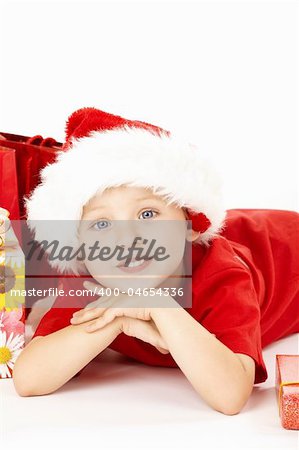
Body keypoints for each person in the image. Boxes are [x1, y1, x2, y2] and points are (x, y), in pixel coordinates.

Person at [12, 107, 299, 416]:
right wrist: (117, 319)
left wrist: (159, 304)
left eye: (148, 214)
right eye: (101, 224)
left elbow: (230, 396)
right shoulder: (89, 277)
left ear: (190, 223)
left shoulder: (222, 274)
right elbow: (28, 380)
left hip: (286, 252)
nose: (127, 239)